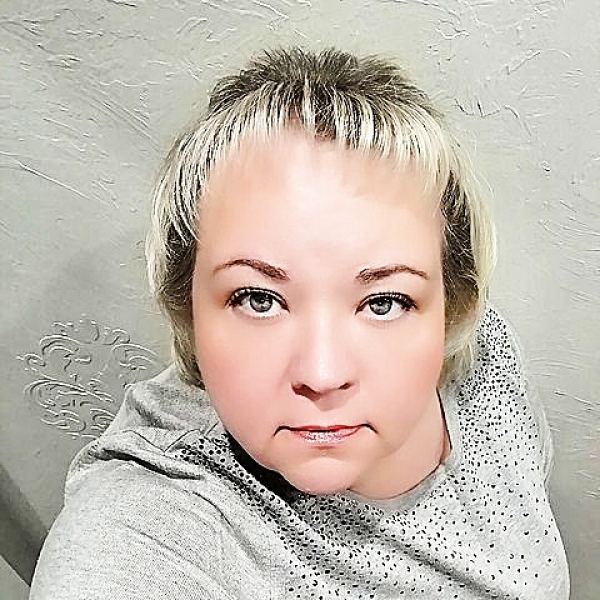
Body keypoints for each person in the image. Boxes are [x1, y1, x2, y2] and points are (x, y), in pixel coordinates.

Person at [29, 46, 570, 599]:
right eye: (258, 299)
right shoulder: (147, 527)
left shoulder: (489, 356)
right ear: (186, 304)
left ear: (452, 303)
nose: (322, 374)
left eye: (384, 302)